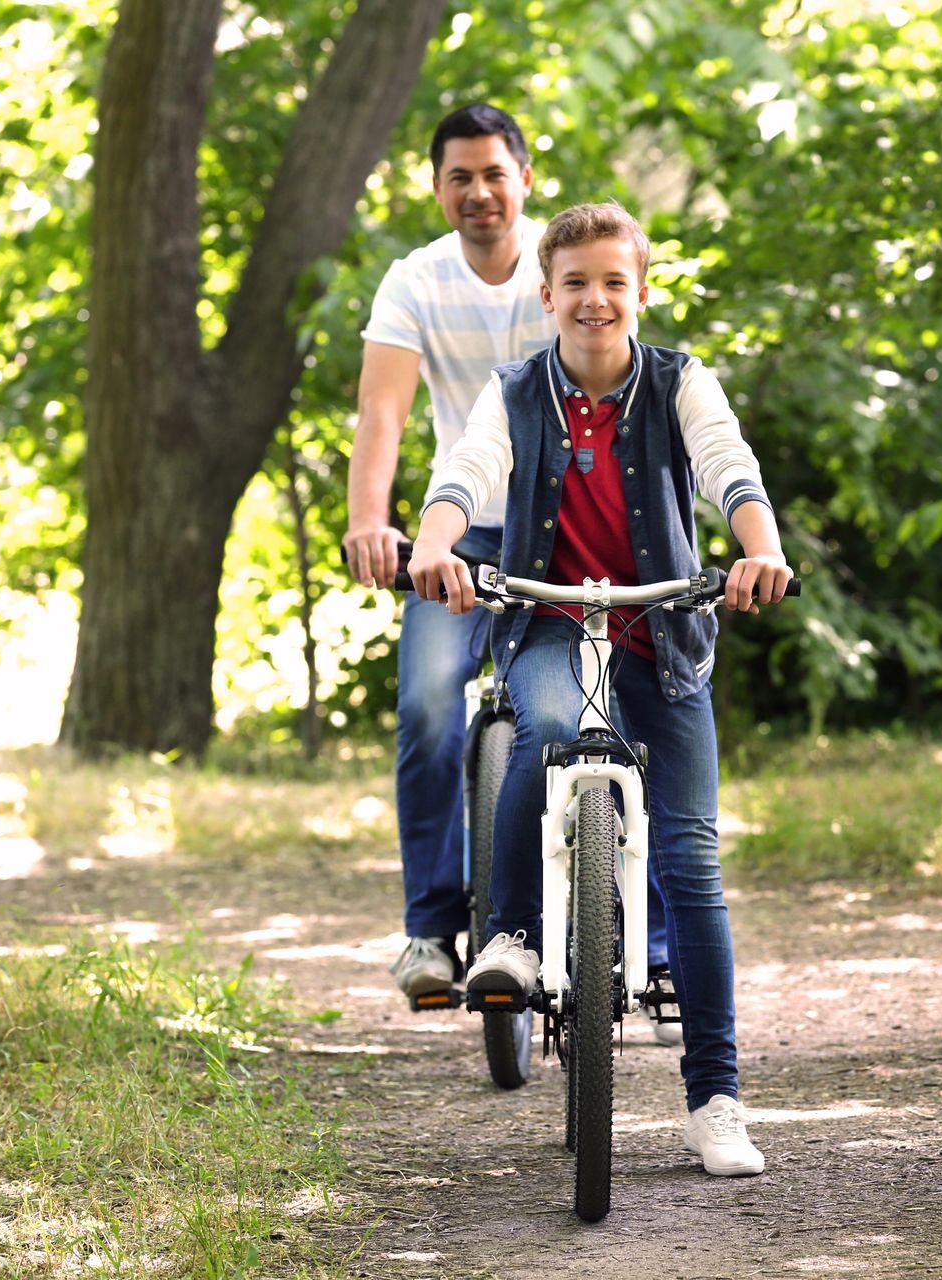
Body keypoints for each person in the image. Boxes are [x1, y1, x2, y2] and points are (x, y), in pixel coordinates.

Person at [406, 200, 790, 1177]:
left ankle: (716, 1098)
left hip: (658, 630)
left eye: (614, 281)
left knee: (694, 860)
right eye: (575, 282)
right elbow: (470, 468)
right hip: (548, 620)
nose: (595, 299)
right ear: (547, 294)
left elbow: (726, 465)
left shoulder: (677, 382)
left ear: (640, 291)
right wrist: (437, 547)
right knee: (536, 726)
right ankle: (515, 940)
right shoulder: (517, 390)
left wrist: (761, 550)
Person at [346, 106, 678, 1034]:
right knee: (425, 705)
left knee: (609, 714)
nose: (479, 192)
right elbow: (384, 414)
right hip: (465, 537)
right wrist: (373, 522)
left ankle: (633, 935)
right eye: (460, 176)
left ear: (525, 179)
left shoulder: (571, 267)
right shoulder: (415, 281)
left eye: (495, 173)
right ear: (438, 188)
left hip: (575, 538)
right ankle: (429, 930)